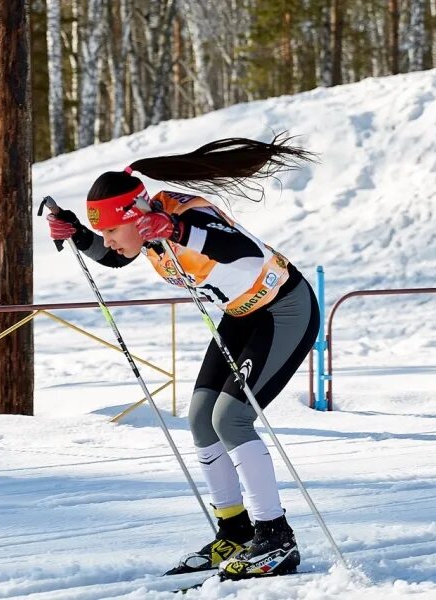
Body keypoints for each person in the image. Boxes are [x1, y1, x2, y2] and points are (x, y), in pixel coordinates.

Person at [46, 137, 320, 580]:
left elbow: (241, 251)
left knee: (231, 419)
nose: (108, 242)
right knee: (199, 418)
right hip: (241, 314)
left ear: (135, 217)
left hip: (284, 310)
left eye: (111, 231)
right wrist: (78, 234)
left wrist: (175, 230)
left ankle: (276, 538)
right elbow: (118, 258)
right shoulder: (147, 231)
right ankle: (235, 531)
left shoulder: (182, 214)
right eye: (104, 234)